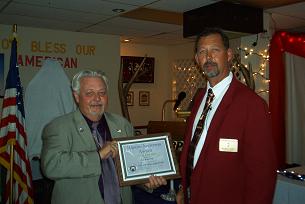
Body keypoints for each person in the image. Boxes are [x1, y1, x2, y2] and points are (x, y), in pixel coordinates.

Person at [177, 28, 277, 204]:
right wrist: (183, 188)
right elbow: (195, 149)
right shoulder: (200, 97)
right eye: (202, 52)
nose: (208, 57)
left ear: (229, 55)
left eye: (215, 50)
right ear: (196, 59)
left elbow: (262, 175)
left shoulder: (251, 105)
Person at [41, 70, 165, 204]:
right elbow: (51, 166)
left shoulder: (122, 124)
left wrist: (145, 182)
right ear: (76, 97)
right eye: (89, 93)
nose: (97, 98)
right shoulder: (59, 127)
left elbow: (130, 167)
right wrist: (98, 155)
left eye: (102, 93)